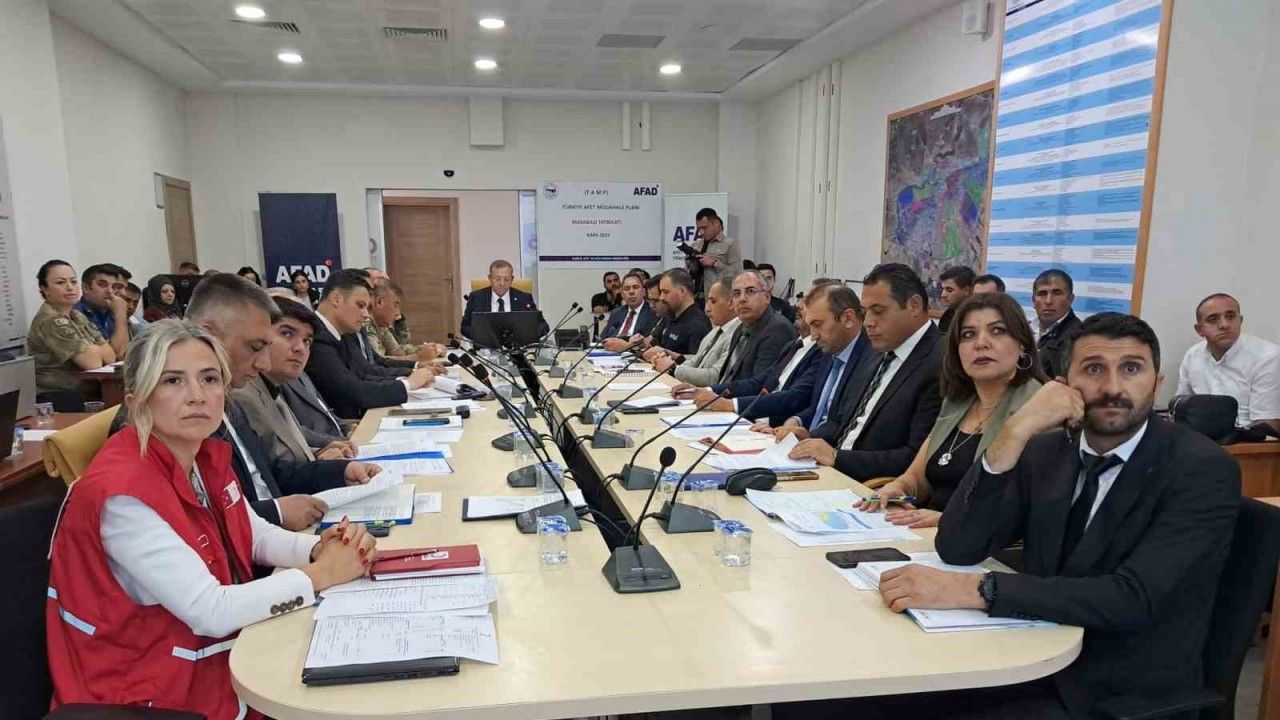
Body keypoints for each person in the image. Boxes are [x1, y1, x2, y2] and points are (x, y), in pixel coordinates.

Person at [850, 313, 1239, 720]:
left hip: (1116, 686)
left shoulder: (1200, 469)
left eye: (1131, 369)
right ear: (1064, 385)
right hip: (1025, 650)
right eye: (1093, 369)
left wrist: (978, 590)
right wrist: (1015, 430)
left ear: (1157, 383)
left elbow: (1132, 598)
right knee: (856, 692)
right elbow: (958, 546)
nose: (1112, 387)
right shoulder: (1049, 452)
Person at [46, 319, 376, 718]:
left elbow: (253, 534)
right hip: (146, 691)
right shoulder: (121, 495)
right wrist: (322, 573)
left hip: (208, 659)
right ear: (137, 400)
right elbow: (210, 611)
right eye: (172, 381)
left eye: (209, 379)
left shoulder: (201, 455)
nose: (197, 396)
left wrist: (321, 548)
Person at [175, 273, 378, 529]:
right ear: (208, 337)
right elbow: (199, 521)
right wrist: (277, 513)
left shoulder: (228, 403)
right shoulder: (176, 416)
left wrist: (340, 472)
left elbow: (266, 474)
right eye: (254, 347)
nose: (263, 363)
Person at [860, 292, 1045, 528]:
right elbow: (917, 477)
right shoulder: (957, 402)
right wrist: (899, 487)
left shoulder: (1037, 408)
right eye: (968, 335)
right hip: (924, 533)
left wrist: (949, 521)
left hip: (981, 542)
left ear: (1022, 344)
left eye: (997, 331)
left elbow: (1025, 511)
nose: (981, 343)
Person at [788, 263, 942, 481]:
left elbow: (915, 458)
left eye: (878, 311)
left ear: (914, 306)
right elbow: (842, 420)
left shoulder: (940, 362)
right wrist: (807, 440)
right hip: (830, 472)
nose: (868, 322)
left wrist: (837, 458)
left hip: (869, 485)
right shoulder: (877, 350)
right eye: (865, 312)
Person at [234, 299, 357, 463]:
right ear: (261, 336)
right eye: (287, 334)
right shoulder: (245, 395)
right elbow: (274, 471)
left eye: (307, 341)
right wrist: (320, 466)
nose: (300, 348)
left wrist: (318, 453)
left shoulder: (273, 386)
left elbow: (289, 453)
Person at [307, 269, 436, 418]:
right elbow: (352, 392)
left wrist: (408, 378)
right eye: (360, 305)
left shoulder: (341, 333)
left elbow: (364, 373)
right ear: (336, 299)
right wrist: (407, 385)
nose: (366, 314)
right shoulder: (315, 336)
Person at [688, 286, 824, 423]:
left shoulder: (818, 349)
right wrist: (708, 390)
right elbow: (759, 382)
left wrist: (731, 404)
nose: (798, 305)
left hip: (773, 423)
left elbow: (794, 398)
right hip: (759, 420)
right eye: (737, 293)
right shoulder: (793, 345)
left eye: (808, 301)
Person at [1177, 293, 1280, 434]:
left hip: (1247, 441)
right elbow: (1180, 409)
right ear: (1199, 329)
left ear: (1240, 321)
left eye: (1230, 317)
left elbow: (1269, 425)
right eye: (1213, 319)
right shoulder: (1192, 356)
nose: (1224, 325)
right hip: (1200, 439)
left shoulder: (1267, 356)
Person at [27, 259, 117, 398]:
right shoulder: (50, 320)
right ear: (45, 289)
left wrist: (92, 350)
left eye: (73, 281)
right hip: (58, 395)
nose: (70, 287)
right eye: (60, 283)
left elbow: (110, 357)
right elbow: (93, 363)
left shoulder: (77, 315)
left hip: (83, 391)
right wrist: (95, 349)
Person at [716, 270, 798, 385]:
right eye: (737, 293)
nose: (742, 299)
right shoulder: (740, 328)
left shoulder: (777, 329)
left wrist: (711, 392)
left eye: (750, 291)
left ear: (767, 297)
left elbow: (758, 386)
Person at [655, 277, 740, 386]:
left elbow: (715, 377)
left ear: (731, 303)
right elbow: (695, 361)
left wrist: (673, 369)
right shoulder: (715, 331)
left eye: (713, 301)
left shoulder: (738, 335)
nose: (707, 309)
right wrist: (667, 362)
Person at [460, 259, 549, 339]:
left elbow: (543, 325)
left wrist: (528, 336)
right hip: (486, 347)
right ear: (490, 278)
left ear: (512, 279)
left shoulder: (524, 298)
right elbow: (465, 327)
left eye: (506, 279)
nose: (502, 283)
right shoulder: (476, 297)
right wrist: (480, 337)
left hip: (517, 347)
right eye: (497, 279)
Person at [366, 281, 442, 365]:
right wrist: (418, 357)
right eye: (395, 305)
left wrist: (424, 349)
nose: (398, 313)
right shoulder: (365, 324)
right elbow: (377, 361)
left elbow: (396, 351)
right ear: (379, 302)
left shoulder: (381, 324)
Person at [644, 268, 711, 357]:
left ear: (682, 291)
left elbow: (697, 362)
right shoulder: (669, 318)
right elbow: (651, 344)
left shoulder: (698, 325)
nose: (661, 297)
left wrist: (667, 354)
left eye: (666, 292)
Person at [1033, 268, 1082, 378]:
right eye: (1042, 294)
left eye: (1057, 293)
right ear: (1033, 301)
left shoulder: (1077, 338)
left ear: (1071, 299)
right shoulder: (1024, 329)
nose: (1048, 301)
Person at [75, 263, 131, 356]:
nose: (110, 291)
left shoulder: (112, 310)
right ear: (85, 288)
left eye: (114, 287)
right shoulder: (75, 314)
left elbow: (125, 352)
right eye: (103, 285)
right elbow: (117, 353)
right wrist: (120, 315)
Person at [685, 208, 743, 296]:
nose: (701, 232)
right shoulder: (696, 245)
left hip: (718, 297)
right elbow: (688, 274)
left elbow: (738, 274)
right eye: (699, 228)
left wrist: (715, 263)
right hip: (695, 296)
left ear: (716, 224)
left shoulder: (730, 244)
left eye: (704, 227)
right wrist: (690, 264)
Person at [600, 272, 658, 351]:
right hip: (611, 352)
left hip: (636, 354)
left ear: (643, 291)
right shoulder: (616, 313)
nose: (631, 292)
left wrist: (624, 344)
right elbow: (603, 337)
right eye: (627, 289)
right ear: (622, 294)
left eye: (635, 287)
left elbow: (646, 340)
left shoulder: (652, 312)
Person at [937, 265, 975, 331]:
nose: (943, 295)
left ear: (966, 290)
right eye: (942, 289)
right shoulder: (948, 315)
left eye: (949, 290)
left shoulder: (976, 318)